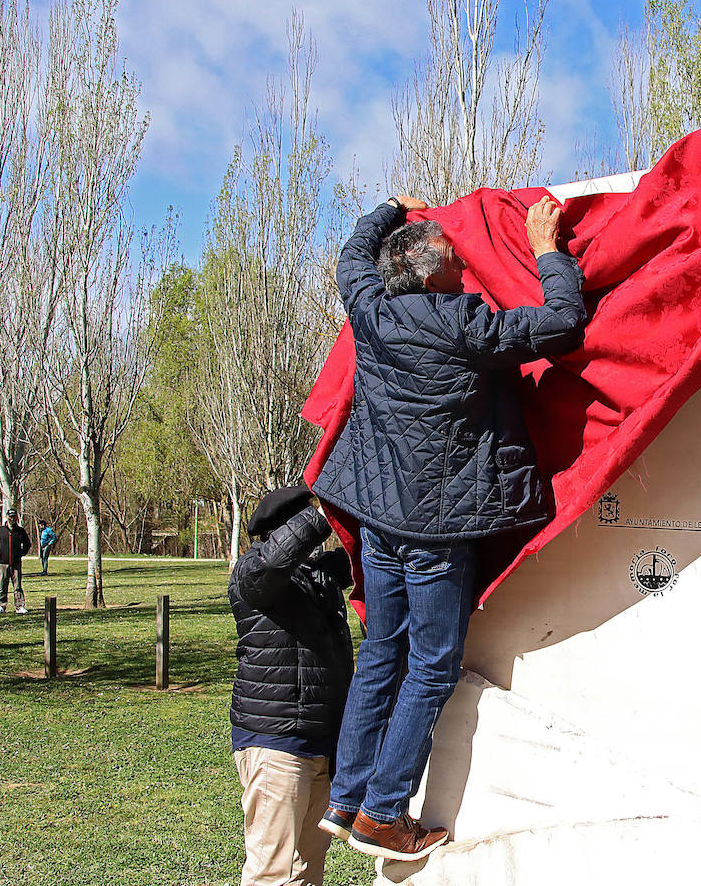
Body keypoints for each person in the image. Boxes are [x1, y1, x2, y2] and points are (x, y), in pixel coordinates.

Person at [312, 194, 587, 861]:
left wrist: (386, 210)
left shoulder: (370, 311)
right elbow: (563, 322)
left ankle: (347, 796)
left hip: (381, 518)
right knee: (431, 668)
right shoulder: (464, 325)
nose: (466, 269)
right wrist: (547, 247)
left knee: (383, 651)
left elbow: (352, 254)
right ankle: (381, 814)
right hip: (437, 527)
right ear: (433, 275)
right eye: (458, 262)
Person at [230, 486, 354, 886]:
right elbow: (275, 561)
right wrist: (324, 512)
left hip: (320, 746)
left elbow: (360, 555)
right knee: (271, 873)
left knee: (306, 871)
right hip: (276, 745)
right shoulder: (253, 572)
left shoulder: (318, 578)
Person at [0, 509, 32, 615]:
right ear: (7, 517)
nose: (12, 519)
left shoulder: (20, 531)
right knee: (2, 585)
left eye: (14, 517)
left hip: (16, 563)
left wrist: (21, 553)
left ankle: (20, 606)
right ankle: (1, 605)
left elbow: (27, 543)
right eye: (10, 516)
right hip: (3, 563)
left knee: (17, 586)